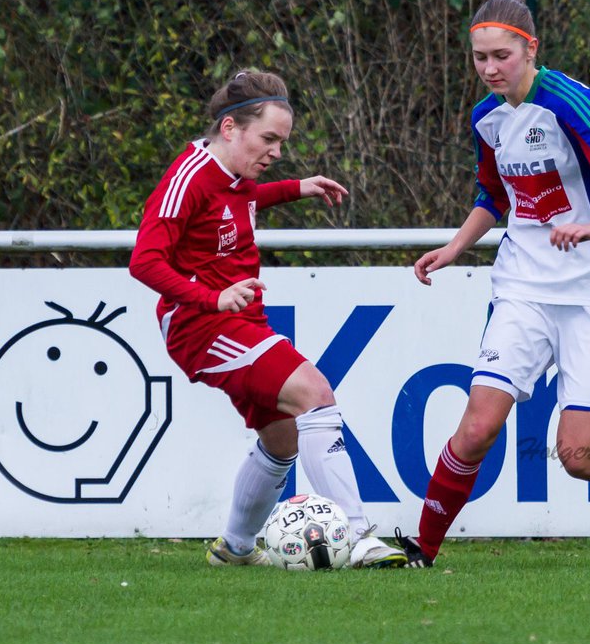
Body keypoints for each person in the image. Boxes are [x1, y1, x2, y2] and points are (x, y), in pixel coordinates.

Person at [394, 0, 590, 567]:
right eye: (479, 58)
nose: (490, 69)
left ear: (530, 49)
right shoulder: (486, 119)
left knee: (576, 454)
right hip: (521, 289)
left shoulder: (569, 102)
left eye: (501, 56)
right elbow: (492, 195)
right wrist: (453, 248)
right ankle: (421, 551)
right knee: (476, 429)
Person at [129, 70, 406, 569]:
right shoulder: (188, 178)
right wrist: (211, 300)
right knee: (316, 395)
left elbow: (239, 199)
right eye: (269, 139)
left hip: (237, 320)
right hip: (201, 327)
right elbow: (145, 261)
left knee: (282, 439)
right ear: (231, 127)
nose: (277, 151)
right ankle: (359, 536)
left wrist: (297, 188)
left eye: (282, 141)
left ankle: (234, 549)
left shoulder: (233, 176)